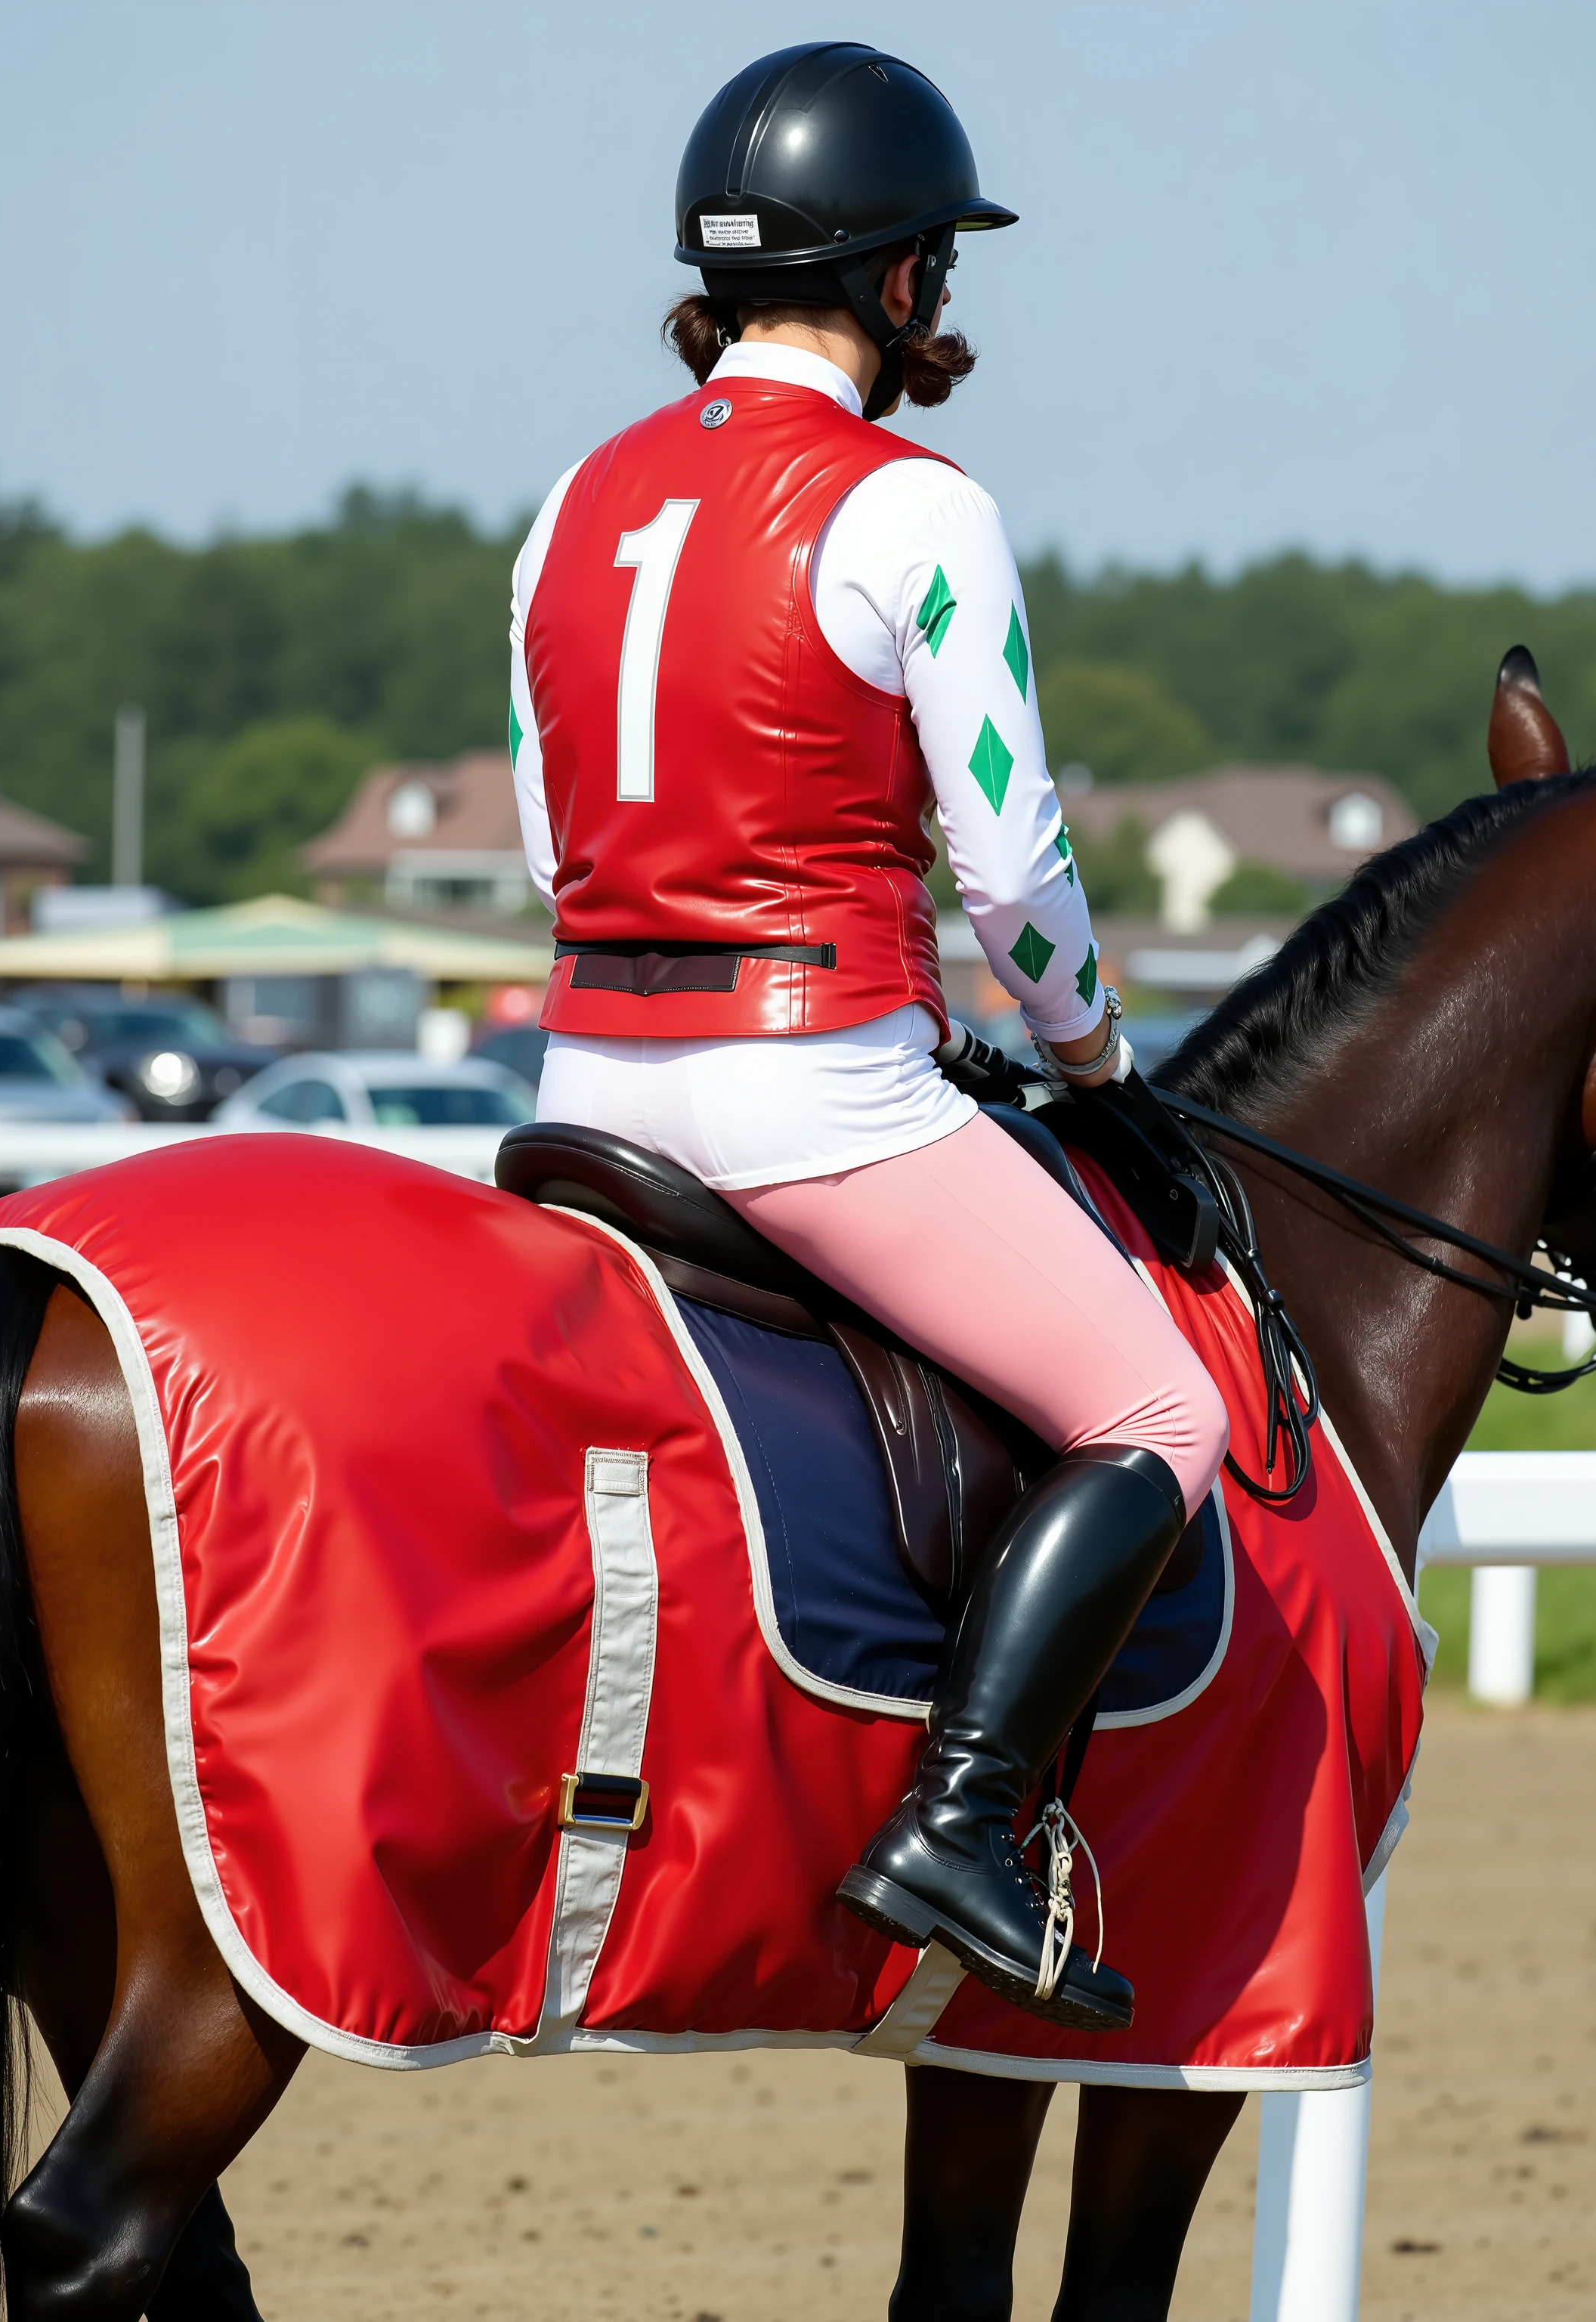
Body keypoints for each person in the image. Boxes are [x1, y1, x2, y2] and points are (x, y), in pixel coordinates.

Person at [507, 42, 1229, 2033]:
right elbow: (1012, 876)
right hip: (806, 1097)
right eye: (940, 276)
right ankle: (964, 1822)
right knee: (1163, 1415)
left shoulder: (569, 508)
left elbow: (547, 838)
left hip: (580, 1092)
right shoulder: (919, 508)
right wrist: (1095, 1073)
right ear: (904, 285)